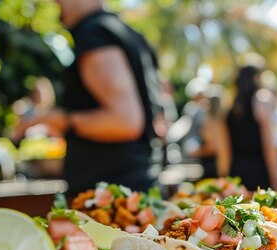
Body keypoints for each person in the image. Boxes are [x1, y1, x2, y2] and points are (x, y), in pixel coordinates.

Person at [16, 0, 163, 195]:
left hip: (112, 201)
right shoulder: (127, 33)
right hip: (135, 189)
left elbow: (125, 121)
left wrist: (63, 120)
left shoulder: (95, 32)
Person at [226, 64, 277, 191]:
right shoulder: (261, 98)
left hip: (236, 171)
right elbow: (268, 142)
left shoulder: (231, 105)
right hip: (258, 170)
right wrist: (275, 179)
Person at [186, 85, 231, 178]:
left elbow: (215, 147)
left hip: (214, 167)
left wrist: (196, 152)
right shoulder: (221, 120)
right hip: (214, 166)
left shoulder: (214, 122)